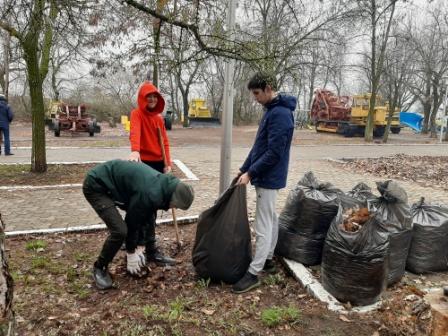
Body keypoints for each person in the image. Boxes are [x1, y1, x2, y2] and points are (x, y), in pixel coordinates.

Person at [83, 159, 194, 290]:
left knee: (150, 214)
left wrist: (141, 245)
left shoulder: (163, 186)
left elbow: (146, 213)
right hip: (97, 185)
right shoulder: (150, 193)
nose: (172, 208)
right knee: (120, 231)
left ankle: (151, 252)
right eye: (175, 205)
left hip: (121, 186)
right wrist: (131, 252)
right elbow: (133, 222)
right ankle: (99, 267)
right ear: (173, 198)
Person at [233, 72, 296, 294]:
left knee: (262, 224)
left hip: (269, 176)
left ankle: (254, 273)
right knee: (270, 217)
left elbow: (273, 153)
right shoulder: (272, 110)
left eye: (257, 93)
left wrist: (251, 173)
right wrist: (244, 167)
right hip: (267, 174)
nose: (255, 98)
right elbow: (259, 146)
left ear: (268, 88)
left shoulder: (280, 114)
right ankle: (268, 260)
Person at [127, 81, 175, 264]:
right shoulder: (136, 114)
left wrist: (167, 164)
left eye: (155, 96)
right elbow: (135, 132)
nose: (152, 99)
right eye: (149, 96)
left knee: (152, 206)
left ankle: (150, 247)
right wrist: (135, 150)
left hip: (157, 164)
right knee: (139, 205)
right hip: (142, 163)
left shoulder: (158, 119)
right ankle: (136, 244)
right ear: (143, 98)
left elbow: (165, 142)